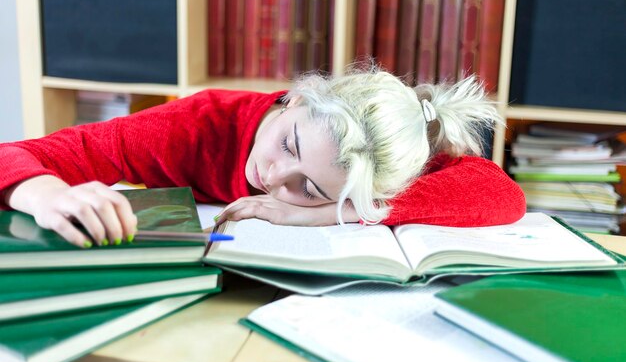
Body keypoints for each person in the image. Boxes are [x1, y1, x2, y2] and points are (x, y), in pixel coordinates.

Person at [0, 65, 525, 248]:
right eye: (289, 144)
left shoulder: (384, 156)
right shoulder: (197, 124)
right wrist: (44, 194)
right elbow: (19, 153)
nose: (275, 178)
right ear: (293, 98)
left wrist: (336, 211)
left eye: (311, 186)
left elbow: (503, 194)